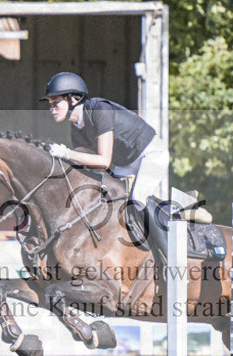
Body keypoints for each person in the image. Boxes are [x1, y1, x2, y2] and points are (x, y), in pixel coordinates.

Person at [41, 71, 170, 258]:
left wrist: (66, 153)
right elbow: (82, 162)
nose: (51, 108)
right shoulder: (76, 126)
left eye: (56, 102)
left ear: (73, 99)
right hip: (125, 163)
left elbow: (102, 161)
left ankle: (169, 258)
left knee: (137, 199)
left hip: (151, 155)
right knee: (105, 197)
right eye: (50, 104)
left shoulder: (99, 110)